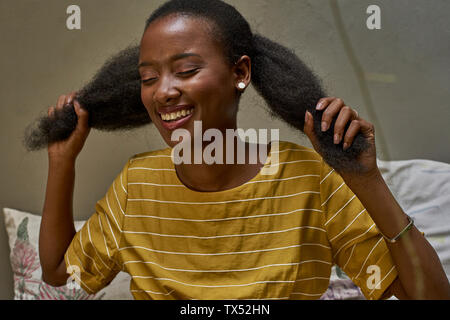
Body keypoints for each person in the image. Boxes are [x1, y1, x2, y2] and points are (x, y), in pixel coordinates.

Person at [39, 0, 450, 300]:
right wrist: (62, 162)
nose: (163, 92)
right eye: (148, 78)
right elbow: (61, 273)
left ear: (240, 72)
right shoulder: (136, 184)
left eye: (186, 71)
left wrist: (368, 180)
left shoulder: (309, 178)